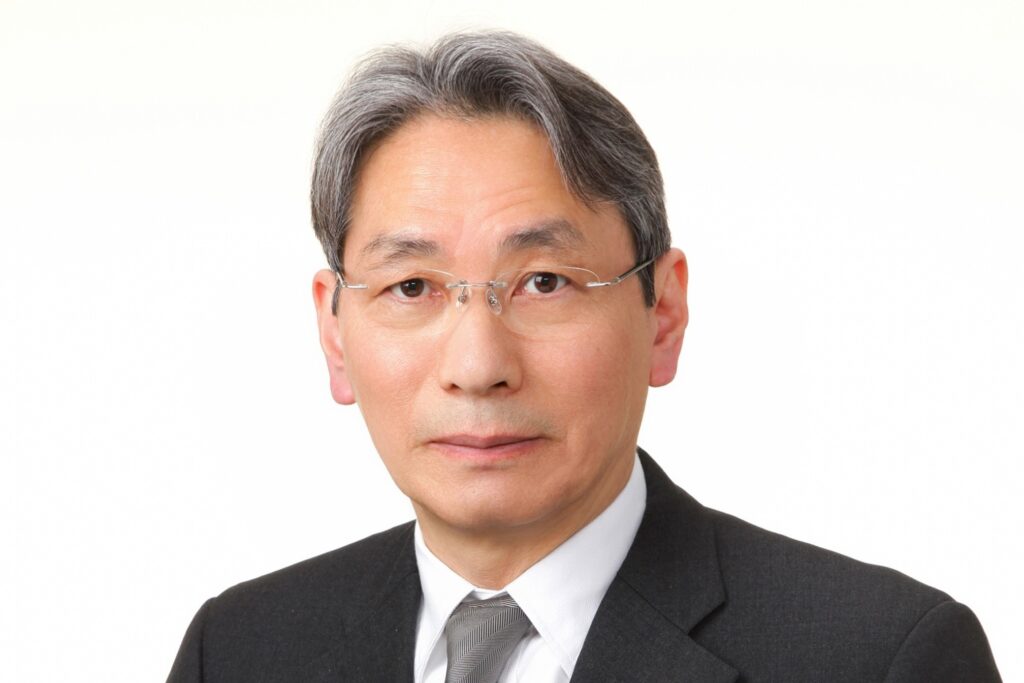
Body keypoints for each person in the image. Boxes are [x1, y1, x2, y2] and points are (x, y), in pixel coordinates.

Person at [167, 31, 1001, 682]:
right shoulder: (237, 652)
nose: (477, 365)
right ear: (334, 332)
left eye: (544, 281)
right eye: (412, 286)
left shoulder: (880, 658)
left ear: (663, 312)